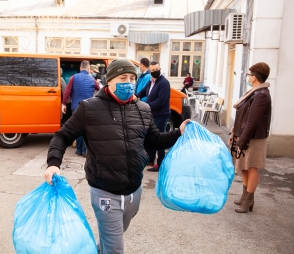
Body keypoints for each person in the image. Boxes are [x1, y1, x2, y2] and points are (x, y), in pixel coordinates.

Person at [44, 58, 190, 254]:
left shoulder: (143, 110)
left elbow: (154, 140)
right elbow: (62, 136)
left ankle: (94, 250)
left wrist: (178, 132)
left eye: (132, 78)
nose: (129, 83)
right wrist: (53, 163)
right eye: (123, 77)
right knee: (115, 248)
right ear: (109, 80)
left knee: (114, 234)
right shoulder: (89, 108)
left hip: (134, 190)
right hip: (104, 191)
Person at [229, 62, 271, 213]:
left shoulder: (261, 95)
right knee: (244, 167)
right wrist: (235, 134)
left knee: (251, 167)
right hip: (245, 135)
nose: (247, 77)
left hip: (254, 138)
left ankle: (248, 200)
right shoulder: (254, 92)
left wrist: (242, 140)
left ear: (254, 77)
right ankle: (244, 195)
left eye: (248, 74)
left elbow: (252, 122)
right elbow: (243, 116)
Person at [136, 61, 171, 172]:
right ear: (150, 71)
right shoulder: (151, 81)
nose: (155, 71)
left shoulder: (164, 83)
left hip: (161, 115)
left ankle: (160, 164)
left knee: (159, 139)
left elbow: (161, 101)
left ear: (160, 68)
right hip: (152, 114)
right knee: (150, 136)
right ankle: (150, 160)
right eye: (153, 70)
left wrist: (145, 105)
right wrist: (135, 96)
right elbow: (143, 92)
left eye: (157, 69)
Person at [62, 60, 100, 157]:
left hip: (76, 107)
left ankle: (78, 150)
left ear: (80, 68)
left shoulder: (73, 78)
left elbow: (67, 92)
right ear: (88, 69)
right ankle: (84, 151)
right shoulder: (92, 79)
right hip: (88, 107)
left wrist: (64, 104)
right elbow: (99, 89)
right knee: (86, 130)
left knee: (77, 129)